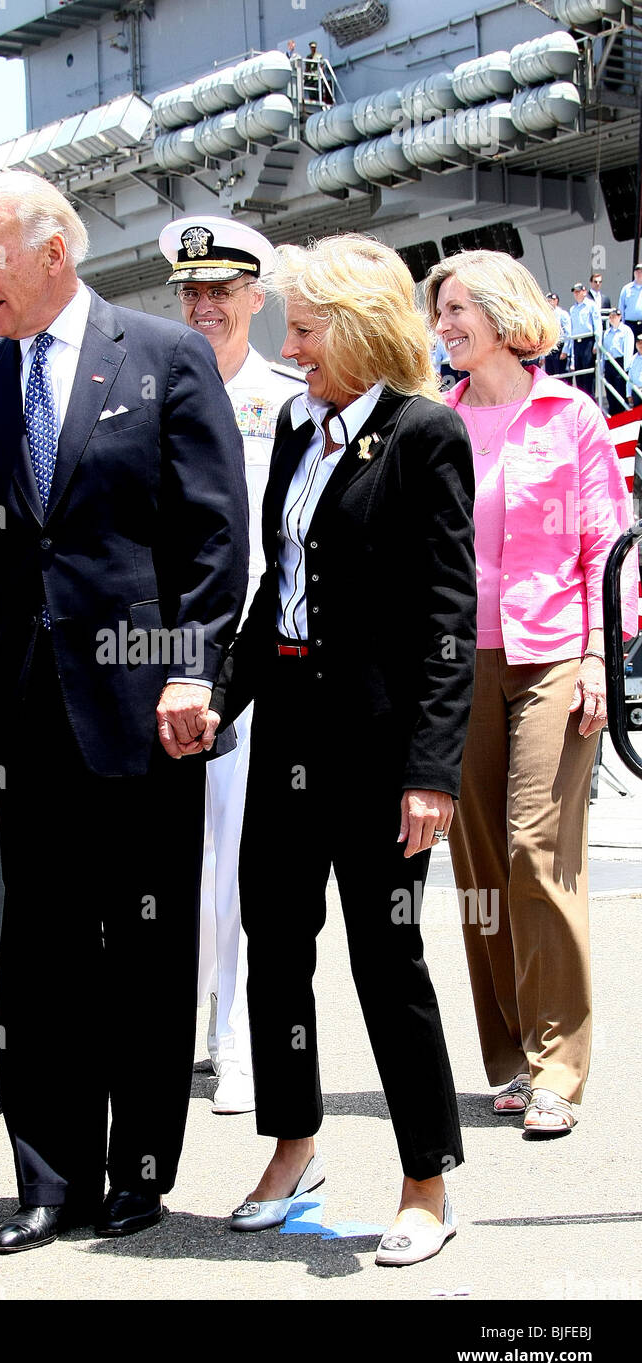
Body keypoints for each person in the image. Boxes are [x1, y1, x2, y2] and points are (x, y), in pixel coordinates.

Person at [0, 170, 248, 1253]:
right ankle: (49, 1178)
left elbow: (213, 539)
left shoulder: (166, 355)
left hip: (148, 703)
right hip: (29, 712)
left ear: (55, 253)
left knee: (141, 939)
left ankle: (139, 1173)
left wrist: (194, 670)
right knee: (39, 950)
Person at [210, 235, 476, 1266]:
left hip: (380, 752)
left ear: (362, 331)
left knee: (387, 960)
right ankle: (294, 1146)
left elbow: (450, 616)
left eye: (309, 330)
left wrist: (429, 770)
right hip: (286, 735)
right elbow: (276, 591)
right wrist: (218, 698)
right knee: (276, 947)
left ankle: (425, 1178)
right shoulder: (293, 423)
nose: (293, 346)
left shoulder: (426, 436)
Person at [427, 250, 638, 1134]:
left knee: (534, 847)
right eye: (438, 311)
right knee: (476, 867)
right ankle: (508, 1059)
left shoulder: (573, 416)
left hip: (557, 653)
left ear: (507, 314)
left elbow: (608, 546)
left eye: (459, 308)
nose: (444, 324)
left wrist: (600, 656)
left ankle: (559, 1064)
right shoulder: (435, 422)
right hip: (456, 661)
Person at [157, 214, 302, 1115]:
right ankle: (170, 1031)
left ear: (258, 297)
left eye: (222, 290)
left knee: (246, 854)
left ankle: (237, 1038)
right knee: (170, 858)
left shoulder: (290, 397)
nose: (205, 305)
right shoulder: (144, 387)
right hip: (166, 648)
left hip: (256, 650)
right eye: (191, 291)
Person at [568, 283, 601, 400]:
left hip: (588, 341)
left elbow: (597, 324)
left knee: (588, 374)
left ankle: (591, 400)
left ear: (584, 292)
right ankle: (581, 400)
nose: (576, 294)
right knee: (579, 374)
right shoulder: (573, 309)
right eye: (574, 292)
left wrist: (597, 343)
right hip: (577, 342)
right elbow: (572, 329)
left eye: (578, 291)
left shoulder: (591, 306)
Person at [601, 307, 634, 415]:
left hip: (620, 362)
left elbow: (628, 349)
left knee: (620, 390)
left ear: (619, 317)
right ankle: (613, 414)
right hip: (609, 363)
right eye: (610, 317)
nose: (612, 319)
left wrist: (626, 367)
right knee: (610, 392)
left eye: (614, 316)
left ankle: (621, 415)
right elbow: (604, 351)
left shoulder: (626, 331)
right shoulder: (606, 333)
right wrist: (603, 367)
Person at [543, 292, 572, 377]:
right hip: (549, 347)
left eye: (551, 300)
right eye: (547, 300)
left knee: (560, 373)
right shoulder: (545, 315)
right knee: (550, 374)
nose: (549, 302)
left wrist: (565, 350)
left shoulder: (562, 314)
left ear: (556, 301)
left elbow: (568, 333)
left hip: (560, 346)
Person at [617, 262, 642, 337]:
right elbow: (621, 307)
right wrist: (621, 324)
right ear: (634, 273)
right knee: (630, 347)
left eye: (641, 272)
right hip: (629, 324)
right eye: (637, 272)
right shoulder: (626, 289)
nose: (639, 274)